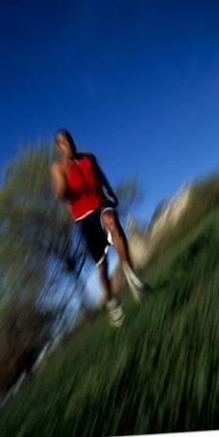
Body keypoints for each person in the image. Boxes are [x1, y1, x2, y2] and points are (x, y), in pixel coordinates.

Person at [51, 129, 146, 328]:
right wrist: (62, 188)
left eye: (69, 140)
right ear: (59, 147)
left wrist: (111, 193)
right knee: (102, 267)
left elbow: (101, 177)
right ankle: (112, 302)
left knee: (112, 221)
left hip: (101, 205)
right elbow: (61, 192)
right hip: (84, 219)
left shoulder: (89, 158)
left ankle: (132, 276)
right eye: (63, 143)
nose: (68, 144)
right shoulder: (58, 168)